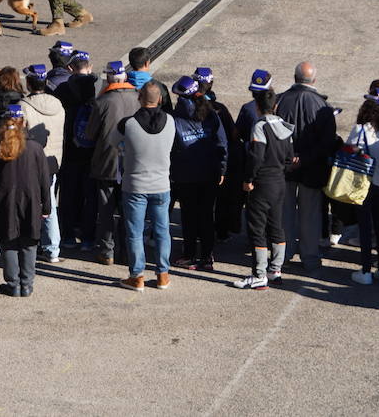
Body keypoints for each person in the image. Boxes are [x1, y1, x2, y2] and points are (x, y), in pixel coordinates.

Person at [0, 107, 50, 296]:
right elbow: (44, 180)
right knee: (29, 241)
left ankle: (13, 284)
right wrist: (47, 206)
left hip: (4, 201)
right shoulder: (35, 148)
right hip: (30, 200)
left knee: (7, 240)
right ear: (24, 123)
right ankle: (26, 284)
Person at [274, 62, 335, 272]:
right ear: (314, 80)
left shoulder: (280, 100)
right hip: (313, 169)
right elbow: (327, 142)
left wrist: (291, 157)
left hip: (284, 166)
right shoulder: (322, 106)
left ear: (294, 77)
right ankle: (309, 257)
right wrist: (305, 158)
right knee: (310, 215)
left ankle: (284, 254)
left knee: (285, 212)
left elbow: (274, 132)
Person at [233, 88, 293, 290]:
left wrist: (248, 178)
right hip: (279, 183)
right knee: (276, 226)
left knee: (257, 229)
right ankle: (275, 270)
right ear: (275, 106)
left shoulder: (259, 126)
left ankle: (259, 274)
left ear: (257, 107)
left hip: (262, 184)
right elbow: (288, 157)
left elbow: (256, 156)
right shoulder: (285, 127)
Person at [119, 82, 174, 292]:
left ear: (139, 98)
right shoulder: (170, 121)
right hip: (161, 184)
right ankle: (163, 274)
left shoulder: (129, 124)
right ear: (160, 99)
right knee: (162, 231)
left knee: (134, 232)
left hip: (135, 185)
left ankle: (137, 276)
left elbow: (115, 144)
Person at [169, 75, 227, 271]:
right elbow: (222, 144)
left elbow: (170, 148)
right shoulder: (212, 115)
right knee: (206, 216)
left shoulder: (174, 119)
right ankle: (207, 256)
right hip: (209, 175)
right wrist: (222, 169)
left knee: (189, 215)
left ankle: (190, 255)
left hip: (185, 176)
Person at [88, 60, 138, 267]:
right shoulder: (138, 98)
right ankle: (127, 252)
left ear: (108, 78)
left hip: (107, 162)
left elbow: (90, 134)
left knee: (106, 209)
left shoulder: (102, 102)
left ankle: (107, 251)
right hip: (133, 163)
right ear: (125, 77)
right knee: (129, 209)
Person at [347, 84, 379, 285]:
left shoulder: (361, 129)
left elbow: (349, 149)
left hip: (365, 184)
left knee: (366, 228)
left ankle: (366, 270)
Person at [19, 63, 66, 263]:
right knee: (50, 204)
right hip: (52, 162)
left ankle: (31, 241)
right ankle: (53, 248)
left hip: (29, 163)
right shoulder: (58, 105)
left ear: (29, 83)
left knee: (29, 204)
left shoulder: (23, 106)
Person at [53, 52, 99, 252]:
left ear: (71, 68)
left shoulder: (63, 89)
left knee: (69, 194)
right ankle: (88, 238)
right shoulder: (98, 89)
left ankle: (69, 235)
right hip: (93, 152)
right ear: (89, 66)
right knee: (90, 196)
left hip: (70, 150)